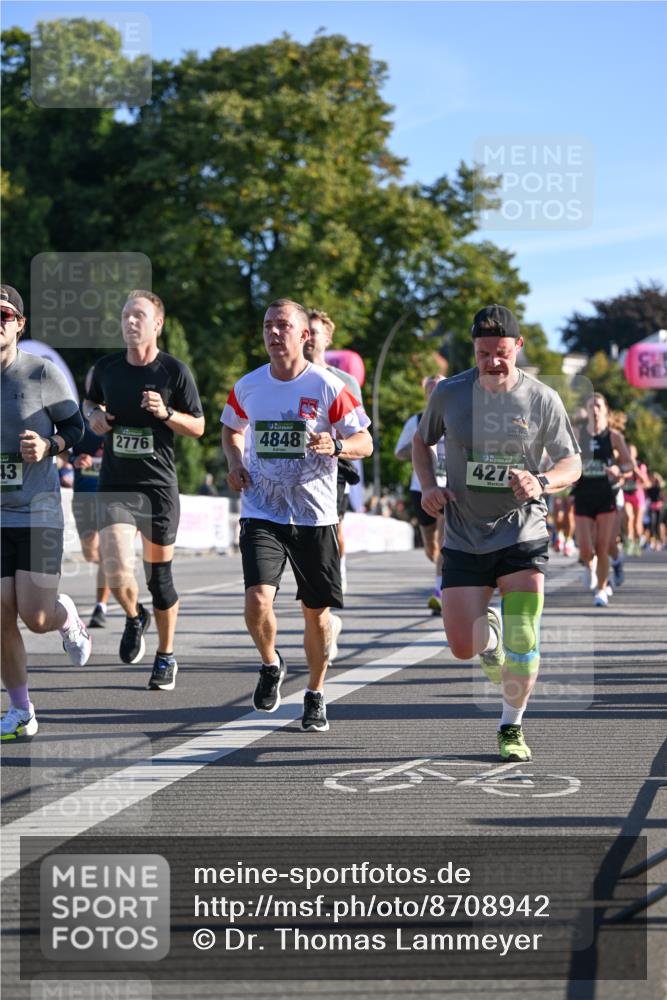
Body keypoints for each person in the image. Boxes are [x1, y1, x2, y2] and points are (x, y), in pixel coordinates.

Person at [412, 304, 581, 763]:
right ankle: (487, 639)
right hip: (465, 534)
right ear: (475, 349)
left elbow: (572, 462)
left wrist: (541, 481)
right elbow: (421, 442)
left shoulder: (542, 398)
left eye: (502, 353)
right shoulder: (450, 393)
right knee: (461, 647)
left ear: (518, 347)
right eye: (484, 353)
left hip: (523, 531)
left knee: (524, 635)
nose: (493, 362)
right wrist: (428, 486)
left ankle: (511, 725)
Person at [221, 298, 372, 732]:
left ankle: (316, 692)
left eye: (283, 325)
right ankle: (271, 663)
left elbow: (365, 440)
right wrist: (235, 462)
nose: (273, 333)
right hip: (262, 510)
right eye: (267, 325)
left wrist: (338, 446)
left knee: (316, 614)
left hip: (315, 515)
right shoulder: (248, 385)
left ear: (304, 335)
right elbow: (232, 428)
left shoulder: (327, 386)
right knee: (256, 599)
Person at [84, 290, 205, 690]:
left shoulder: (174, 372)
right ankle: (136, 616)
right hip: (116, 483)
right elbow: (89, 404)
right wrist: (96, 416)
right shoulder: (105, 368)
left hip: (157, 488)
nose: (130, 322)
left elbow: (200, 427)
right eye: (125, 316)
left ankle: (166, 655)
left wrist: (166, 413)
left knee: (160, 580)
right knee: (117, 570)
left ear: (157, 324)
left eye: (139, 315)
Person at [1, 284, 91, 741]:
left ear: (19, 323)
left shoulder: (40, 373)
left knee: (34, 617)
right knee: (0, 613)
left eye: (3, 315)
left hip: (37, 512)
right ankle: (21, 710)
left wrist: (50, 445)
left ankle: (66, 617)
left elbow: (78, 428)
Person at [305, 309, 365, 594]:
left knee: (333, 525)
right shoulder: (286, 375)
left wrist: (335, 443)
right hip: (295, 465)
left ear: (327, 339)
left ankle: (334, 570)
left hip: (333, 464)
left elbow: (359, 430)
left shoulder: (344, 381)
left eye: (314, 332)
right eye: (303, 330)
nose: (307, 338)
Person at [571, 393, 633, 607]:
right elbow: (565, 460)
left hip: (606, 494)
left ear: (605, 410)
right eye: (591, 406)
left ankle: (601, 589)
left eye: (598, 406)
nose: (594, 409)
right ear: (587, 411)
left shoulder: (614, 437)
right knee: (586, 549)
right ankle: (589, 566)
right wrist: (570, 474)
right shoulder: (578, 434)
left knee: (603, 546)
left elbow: (629, 465)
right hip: (583, 495)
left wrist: (619, 469)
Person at [395, 374, 446, 614]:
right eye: (431, 390)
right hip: (421, 486)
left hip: (449, 486)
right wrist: (421, 445)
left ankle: (440, 591)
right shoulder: (416, 421)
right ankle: (440, 570)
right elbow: (399, 453)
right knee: (431, 547)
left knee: (446, 541)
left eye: (440, 388)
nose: (435, 393)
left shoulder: (457, 417)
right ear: (426, 394)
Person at [70, 366, 112, 628]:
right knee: (90, 552)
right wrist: (76, 458)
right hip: (84, 493)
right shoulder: (76, 416)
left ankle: (101, 607)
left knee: (108, 551)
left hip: (112, 494)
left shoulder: (120, 414)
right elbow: (62, 450)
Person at [622, 444, 650, 556]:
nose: (630, 454)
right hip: (626, 495)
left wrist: (635, 469)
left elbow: (647, 482)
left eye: (632, 452)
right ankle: (629, 542)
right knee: (629, 517)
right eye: (628, 451)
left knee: (637, 524)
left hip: (638, 496)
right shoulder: (623, 464)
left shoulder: (641, 465)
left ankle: (637, 543)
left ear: (636, 454)